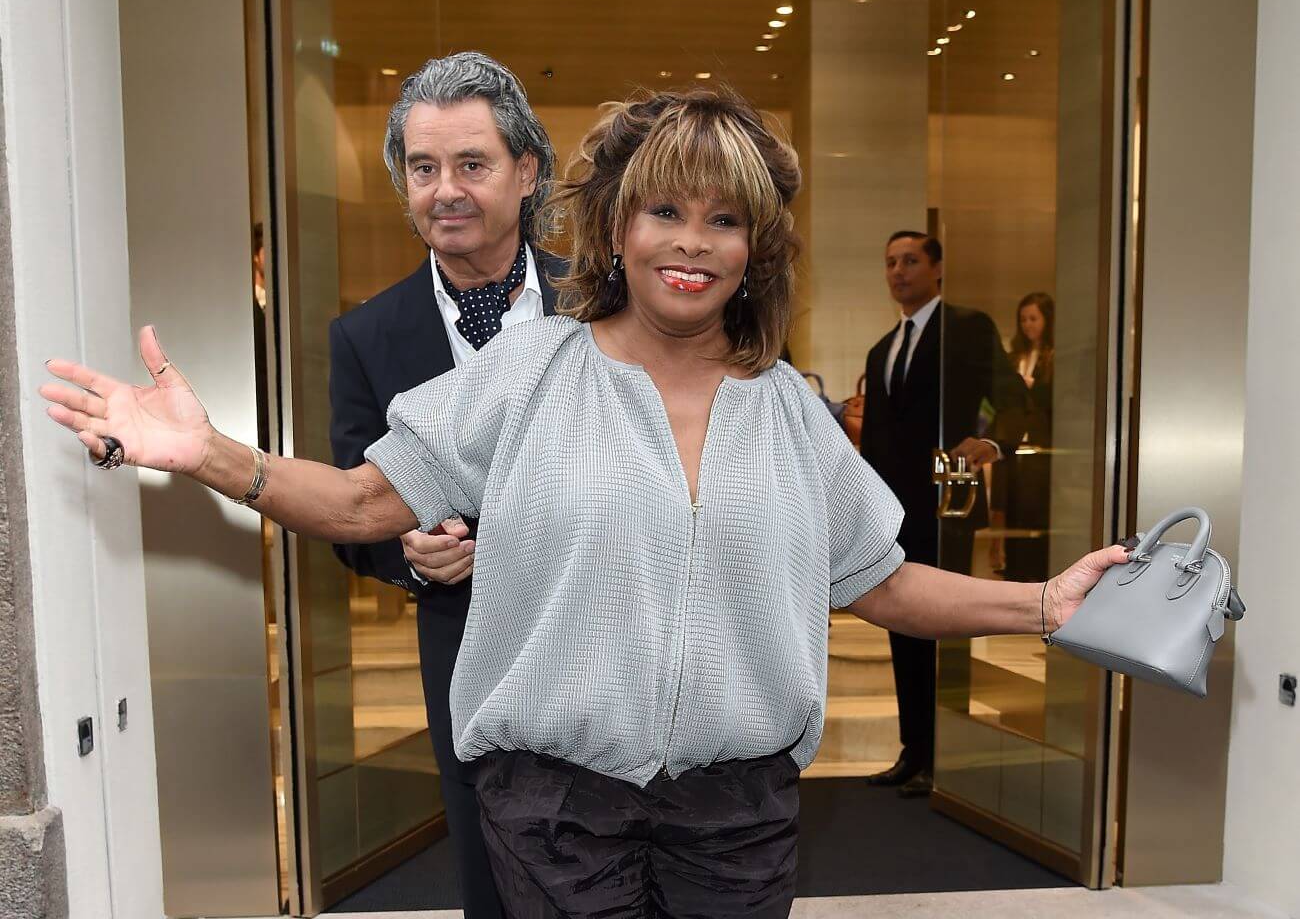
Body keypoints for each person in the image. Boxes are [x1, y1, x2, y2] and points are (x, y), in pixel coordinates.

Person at [41, 87, 1125, 919]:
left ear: (755, 251)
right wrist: (208, 453)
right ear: (614, 229)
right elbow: (364, 503)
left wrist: (1045, 606)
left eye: (722, 220)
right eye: (663, 210)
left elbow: (882, 582)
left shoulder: (789, 410)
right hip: (556, 812)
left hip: (739, 820)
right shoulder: (529, 372)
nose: (691, 242)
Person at [327, 52, 567, 919]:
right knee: (492, 883)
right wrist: (412, 558)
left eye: (472, 164)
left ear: (526, 171)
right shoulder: (365, 337)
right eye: (423, 169)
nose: (445, 190)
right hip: (464, 654)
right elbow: (352, 516)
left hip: (611, 642)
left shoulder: (608, 307)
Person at [859, 231, 1029, 798]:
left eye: (910, 261)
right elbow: (877, 444)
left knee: (947, 631)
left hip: (948, 507)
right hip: (897, 517)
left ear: (936, 269)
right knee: (905, 630)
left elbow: (1013, 400)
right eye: (889, 263)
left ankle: (948, 756)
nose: (897, 271)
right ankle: (915, 751)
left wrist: (995, 445)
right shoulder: (882, 350)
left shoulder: (968, 327)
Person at [994, 291, 1055, 583]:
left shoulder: (1055, 357)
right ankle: (1013, 569)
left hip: (1043, 437)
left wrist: (1032, 386)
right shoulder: (1013, 356)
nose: (1028, 325)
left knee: (1035, 504)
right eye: (1023, 319)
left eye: (1033, 318)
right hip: (1015, 437)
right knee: (1012, 504)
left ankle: (1035, 573)